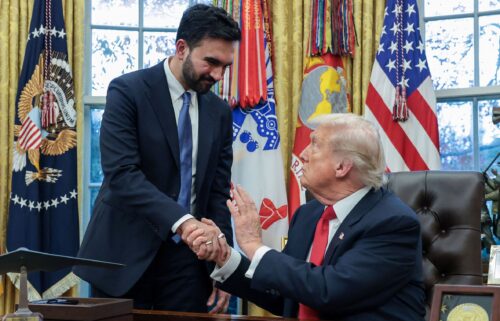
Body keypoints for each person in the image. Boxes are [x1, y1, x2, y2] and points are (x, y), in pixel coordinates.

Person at [74, 4, 241, 313]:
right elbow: (122, 175)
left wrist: (223, 263)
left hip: (190, 268)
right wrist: (184, 223)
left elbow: (217, 192)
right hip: (122, 257)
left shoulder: (219, 112)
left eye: (225, 66)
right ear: (182, 48)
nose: (218, 74)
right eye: (211, 62)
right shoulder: (127, 91)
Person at [186, 114, 426, 320]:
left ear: (342, 167)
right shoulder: (308, 215)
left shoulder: (392, 222)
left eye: (314, 144)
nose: (303, 153)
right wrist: (226, 257)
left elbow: (329, 291)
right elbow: (284, 294)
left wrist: (253, 245)